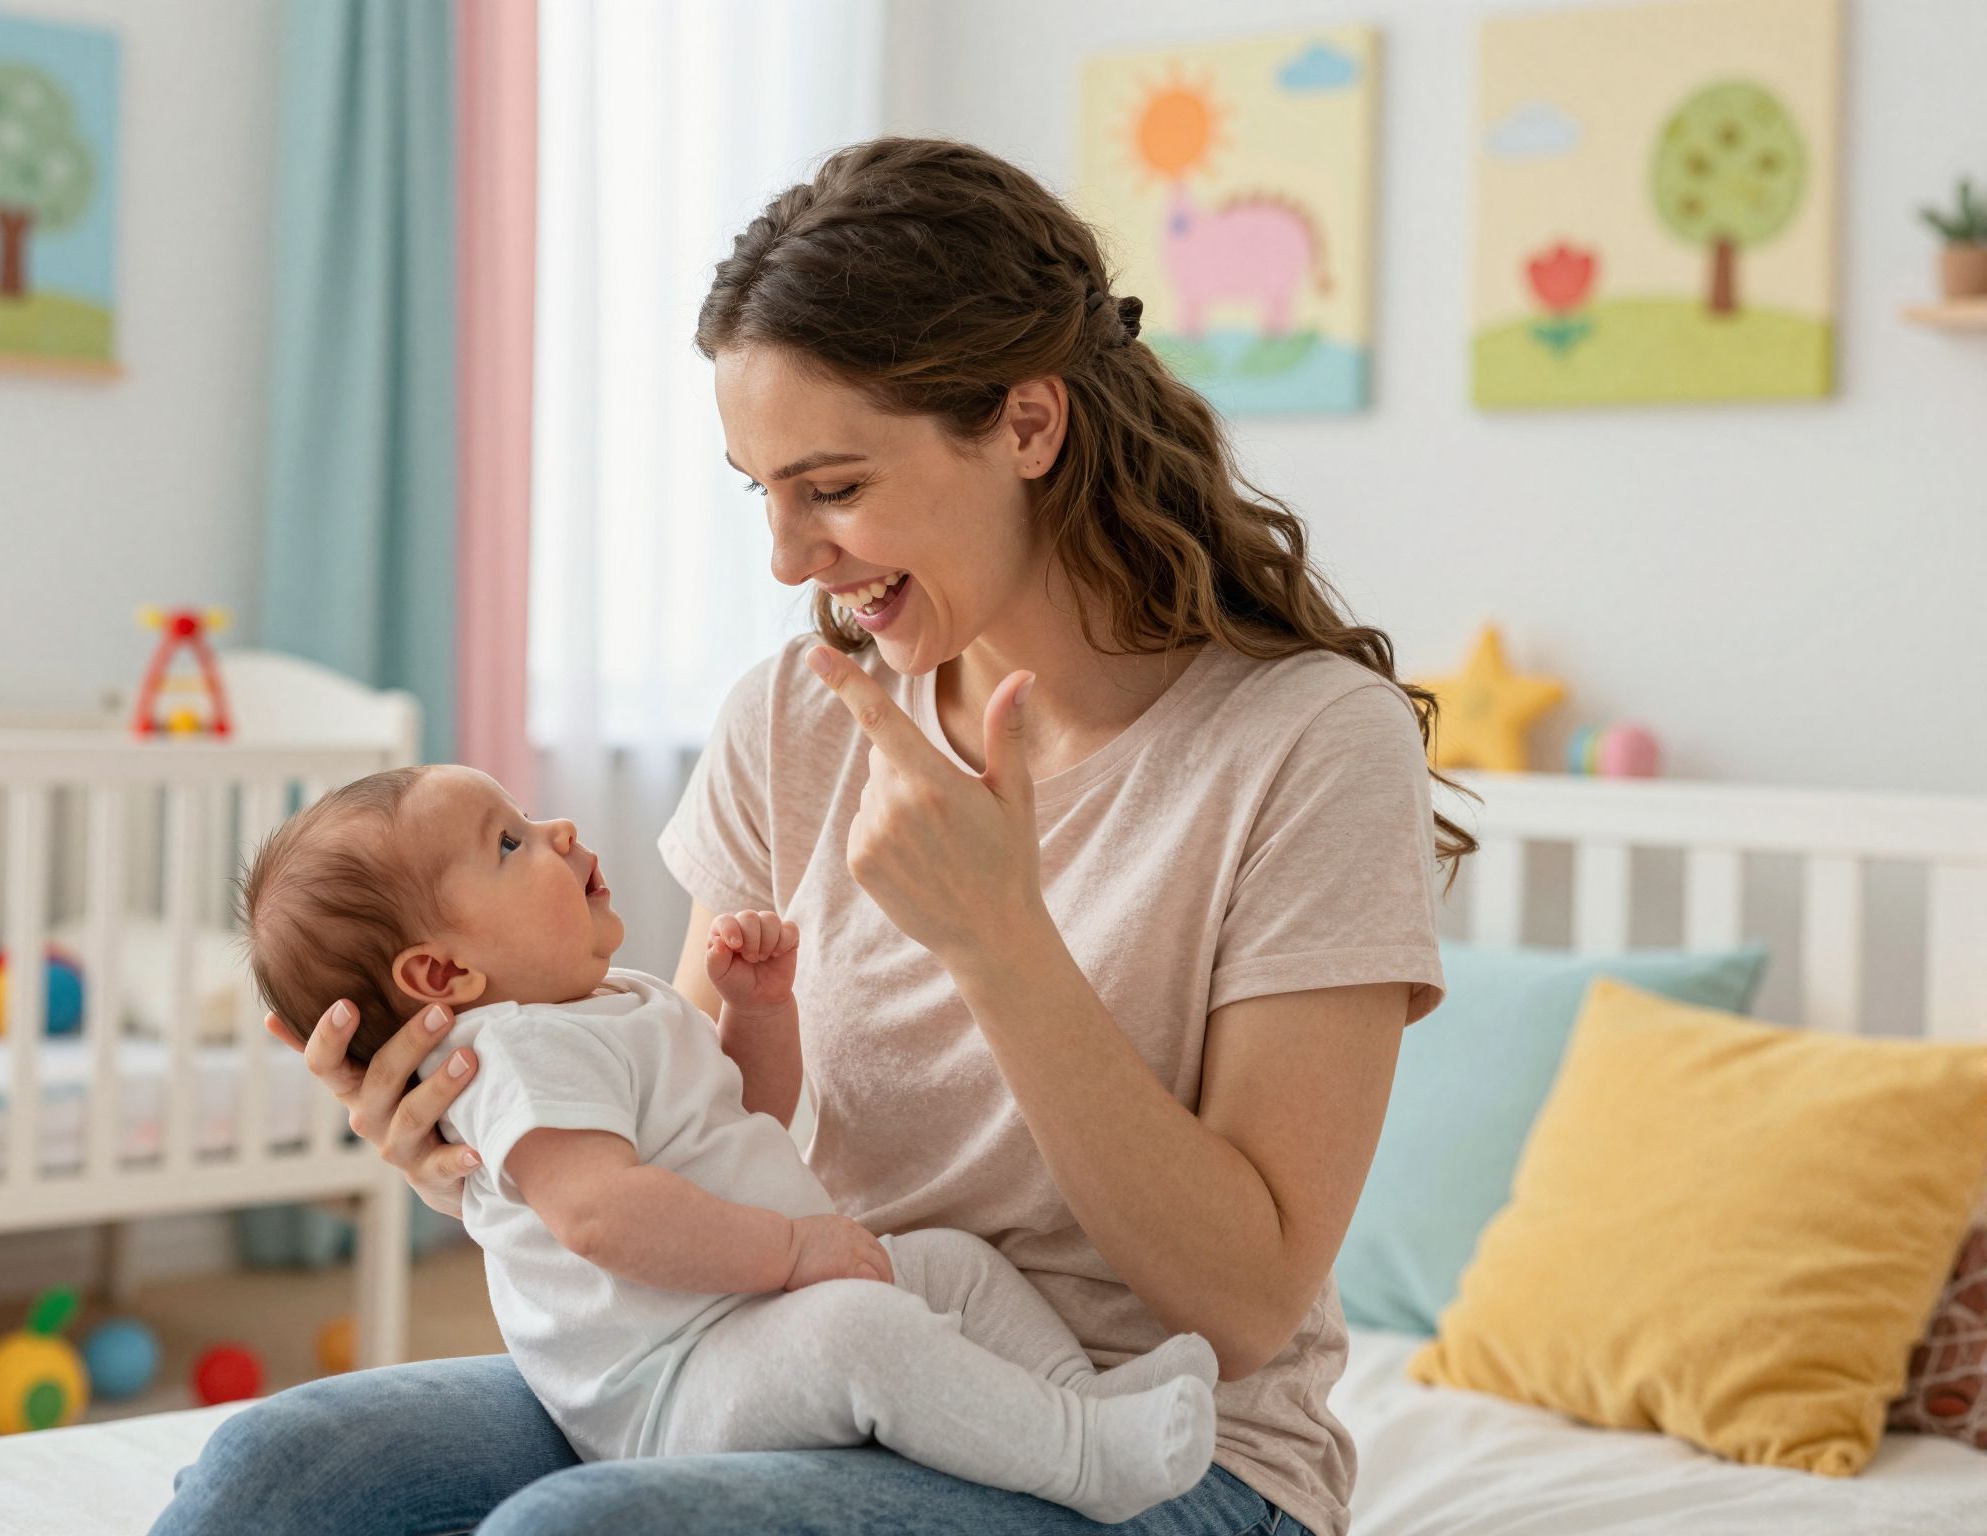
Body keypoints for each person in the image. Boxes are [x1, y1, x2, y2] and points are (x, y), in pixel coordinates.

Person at [151, 136, 1472, 1536]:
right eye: (761, 492)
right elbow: (695, 1113)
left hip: (1169, 1447)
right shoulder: (796, 712)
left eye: (832, 488)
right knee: (276, 1476)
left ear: (1029, 425)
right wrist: (484, 1138)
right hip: (797, 1350)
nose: (789, 558)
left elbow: (1245, 1305)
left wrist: (998, 940)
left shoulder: (1306, 744)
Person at [232, 761, 1220, 1524]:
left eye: (525, 816)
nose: (557, 831)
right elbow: (598, 1215)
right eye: (508, 843)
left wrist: (757, 1011)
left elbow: (741, 1116)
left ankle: (1081, 1403)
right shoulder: (518, 1053)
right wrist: (790, 1251)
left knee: (953, 1270)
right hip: (673, 1381)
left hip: (740, 1319)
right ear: (442, 976)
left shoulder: (611, 1003)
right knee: (858, 1336)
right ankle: (1083, 1458)